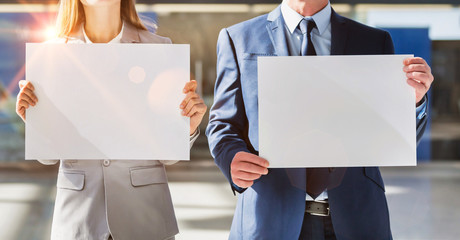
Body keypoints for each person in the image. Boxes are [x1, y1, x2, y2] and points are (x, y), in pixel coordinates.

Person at [206, 0, 433, 239]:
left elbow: (394, 138)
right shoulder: (238, 37)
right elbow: (223, 124)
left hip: (357, 218)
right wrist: (231, 157)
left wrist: (413, 101)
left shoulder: (373, 41)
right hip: (268, 217)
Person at [15, 0, 207, 239]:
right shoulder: (51, 54)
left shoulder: (158, 48)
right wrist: (34, 120)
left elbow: (168, 156)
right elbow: (47, 157)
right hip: (79, 218)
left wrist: (186, 130)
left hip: (144, 216)